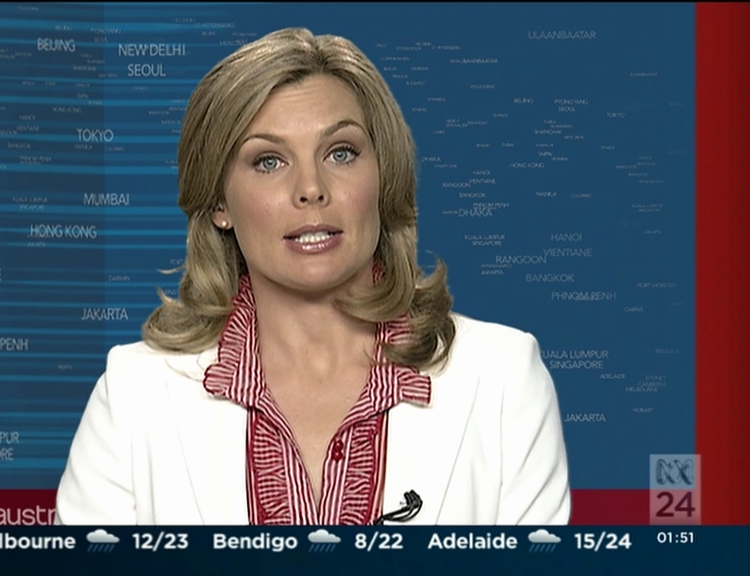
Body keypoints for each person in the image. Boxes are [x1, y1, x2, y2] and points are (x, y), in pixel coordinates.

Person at [55, 27, 570, 526]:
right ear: (218, 203)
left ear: (383, 177)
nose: (311, 188)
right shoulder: (133, 396)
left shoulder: (505, 381)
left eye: (340, 153)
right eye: (268, 161)